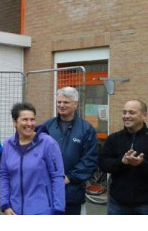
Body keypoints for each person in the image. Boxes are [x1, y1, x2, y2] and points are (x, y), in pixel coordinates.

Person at [0, 102, 65, 215]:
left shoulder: (48, 143)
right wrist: (5, 204)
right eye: (25, 119)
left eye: (32, 119)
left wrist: (58, 210)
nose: (29, 123)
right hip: (14, 211)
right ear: (15, 122)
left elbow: (57, 177)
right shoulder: (8, 144)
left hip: (42, 211)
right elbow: (4, 175)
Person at [42, 87, 98, 215]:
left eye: (65, 102)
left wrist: (69, 178)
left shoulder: (86, 129)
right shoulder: (47, 126)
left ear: (75, 104)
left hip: (72, 193)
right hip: (47, 191)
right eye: (59, 102)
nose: (61, 105)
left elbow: (90, 160)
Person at [99, 99, 148, 215]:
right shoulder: (113, 139)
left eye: (131, 112)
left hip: (145, 204)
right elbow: (102, 164)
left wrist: (141, 164)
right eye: (124, 112)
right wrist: (122, 162)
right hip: (118, 203)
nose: (126, 116)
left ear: (144, 115)